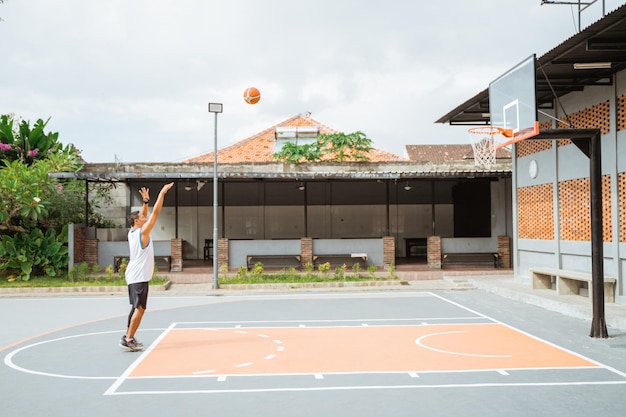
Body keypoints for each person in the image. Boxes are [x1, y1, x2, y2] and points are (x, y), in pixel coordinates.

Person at [119, 182, 174, 352]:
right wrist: (162, 193)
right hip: (139, 276)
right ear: (137, 221)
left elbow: (144, 213)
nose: (145, 217)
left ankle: (129, 335)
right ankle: (128, 339)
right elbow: (155, 213)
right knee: (140, 308)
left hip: (135, 275)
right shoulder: (143, 233)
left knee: (136, 307)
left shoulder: (132, 232)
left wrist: (145, 202)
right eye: (142, 217)